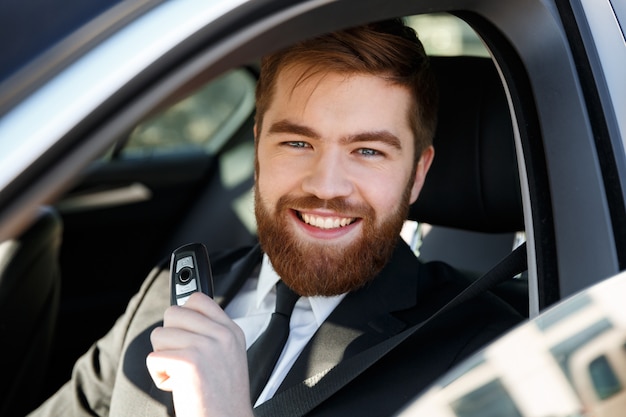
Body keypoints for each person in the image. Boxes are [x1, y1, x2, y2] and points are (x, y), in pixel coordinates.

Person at [29, 18, 522, 417]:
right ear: (259, 148)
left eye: (368, 151)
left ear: (417, 175)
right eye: (297, 142)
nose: (326, 186)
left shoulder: (484, 355)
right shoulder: (166, 292)